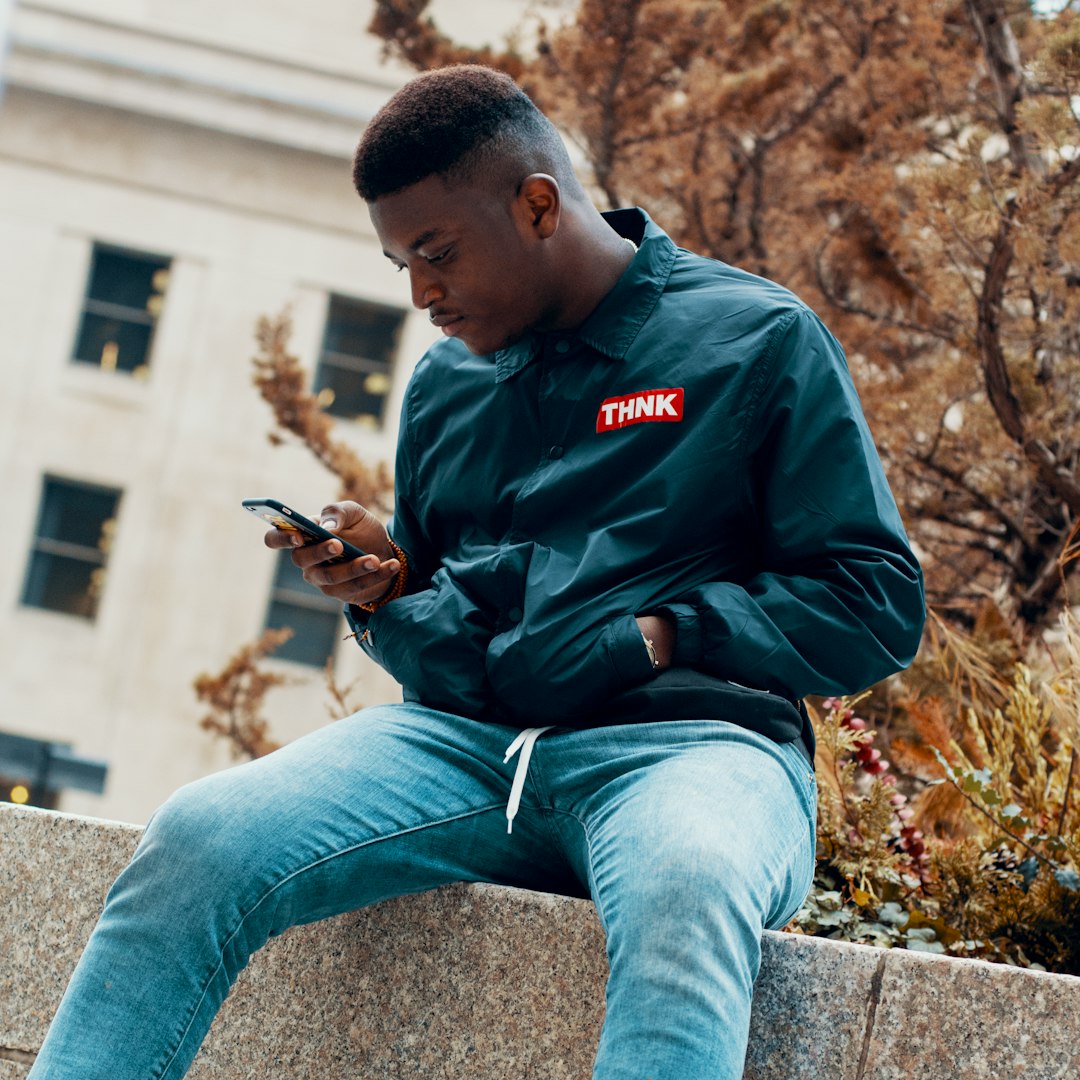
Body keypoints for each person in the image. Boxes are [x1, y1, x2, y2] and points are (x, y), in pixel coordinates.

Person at [29, 65, 924, 1079]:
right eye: (399, 263)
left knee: (686, 883)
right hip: (464, 749)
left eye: (437, 252)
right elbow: (458, 650)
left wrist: (663, 635)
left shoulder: (755, 339)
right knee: (198, 835)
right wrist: (392, 590)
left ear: (538, 205)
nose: (420, 294)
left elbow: (875, 601)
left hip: (695, 751)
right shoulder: (445, 383)